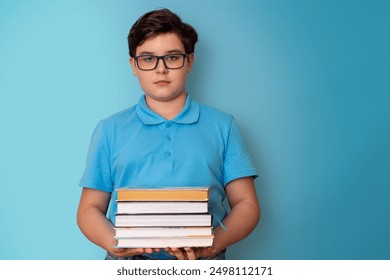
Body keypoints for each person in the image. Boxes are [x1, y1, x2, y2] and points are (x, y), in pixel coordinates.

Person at [77, 8, 260, 260]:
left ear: (190, 61)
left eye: (172, 57)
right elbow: (89, 208)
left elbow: (247, 205)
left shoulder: (222, 126)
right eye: (148, 58)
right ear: (133, 65)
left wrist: (213, 245)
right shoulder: (109, 130)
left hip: (204, 264)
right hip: (127, 265)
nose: (161, 69)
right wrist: (113, 243)